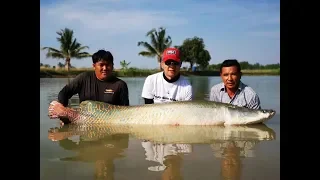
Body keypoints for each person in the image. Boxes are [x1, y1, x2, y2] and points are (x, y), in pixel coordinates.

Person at [48, 49, 129, 123]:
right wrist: (63, 112)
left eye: (108, 65)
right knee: (56, 105)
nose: (105, 68)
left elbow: (125, 112)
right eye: (101, 65)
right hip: (84, 121)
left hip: (109, 122)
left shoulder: (120, 85)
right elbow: (64, 93)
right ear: (94, 66)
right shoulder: (84, 78)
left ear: (112, 66)